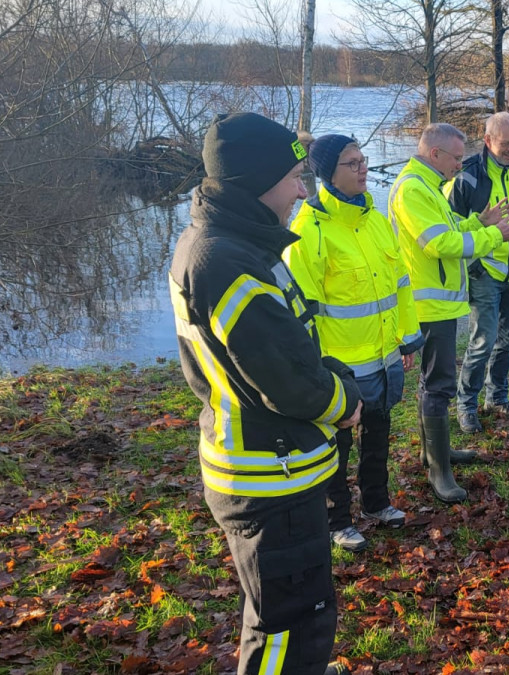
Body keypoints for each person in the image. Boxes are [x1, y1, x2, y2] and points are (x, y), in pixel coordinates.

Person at [169, 112, 361, 675]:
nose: (303, 190)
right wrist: (345, 403)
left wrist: (328, 371)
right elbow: (288, 382)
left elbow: (287, 344)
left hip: (274, 464)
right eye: (295, 178)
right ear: (257, 182)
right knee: (289, 625)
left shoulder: (232, 242)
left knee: (291, 613)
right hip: (269, 474)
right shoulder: (227, 261)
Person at [284, 134, 423, 552]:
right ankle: (337, 519)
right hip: (339, 368)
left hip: (383, 357)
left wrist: (407, 340)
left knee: (378, 437)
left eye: (363, 160)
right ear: (328, 174)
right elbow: (301, 312)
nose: (363, 168)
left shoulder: (375, 220)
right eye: (352, 163)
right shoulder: (308, 231)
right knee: (337, 447)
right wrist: (316, 369)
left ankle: (377, 503)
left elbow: (400, 284)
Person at [390, 122, 509, 502]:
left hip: (438, 303)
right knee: (439, 384)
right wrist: (496, 235)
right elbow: (442, 244)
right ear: (435, 154)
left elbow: (452, 228)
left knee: (433, 382)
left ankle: (435, 453)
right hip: (428, 305)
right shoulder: (413, 189)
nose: (459, 165)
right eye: (455, 157)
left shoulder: (428, 186)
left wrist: (480, 222)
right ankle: (439, 471)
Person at [445, 112, 509, 434]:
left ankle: (497, 399)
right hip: (483, 272)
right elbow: (450, 228)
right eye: (505, 144)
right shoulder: (467, 177)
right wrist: (472, 265)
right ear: (487, 141)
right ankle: (466, 405)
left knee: (506, 343)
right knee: (482, 343)